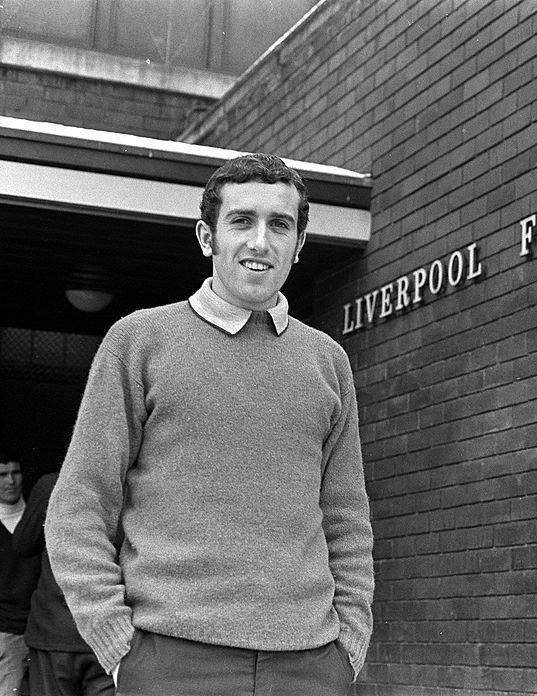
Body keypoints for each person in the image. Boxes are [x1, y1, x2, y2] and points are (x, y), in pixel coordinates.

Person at [45, 153, 374, 696]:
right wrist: (117, 643)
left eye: (280, 225)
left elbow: (346, 517)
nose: (260, 242)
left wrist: (349, 645)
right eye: (241, 221)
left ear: (299, 244)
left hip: (310, 666)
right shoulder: (140, 342)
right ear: (207, 236)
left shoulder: (328, 361)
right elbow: (80, 501)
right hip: (169, 659)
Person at [12, 472, 113, 696]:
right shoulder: (124, 484)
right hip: (106, 631)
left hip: (54, 631)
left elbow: (23, 544)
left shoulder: (52, 485)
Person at [0, 450, 41, 695]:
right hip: (6, 631)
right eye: (2, 474)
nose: (10, 481)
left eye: (15, 472)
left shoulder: (38, 519)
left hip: (41, 628)